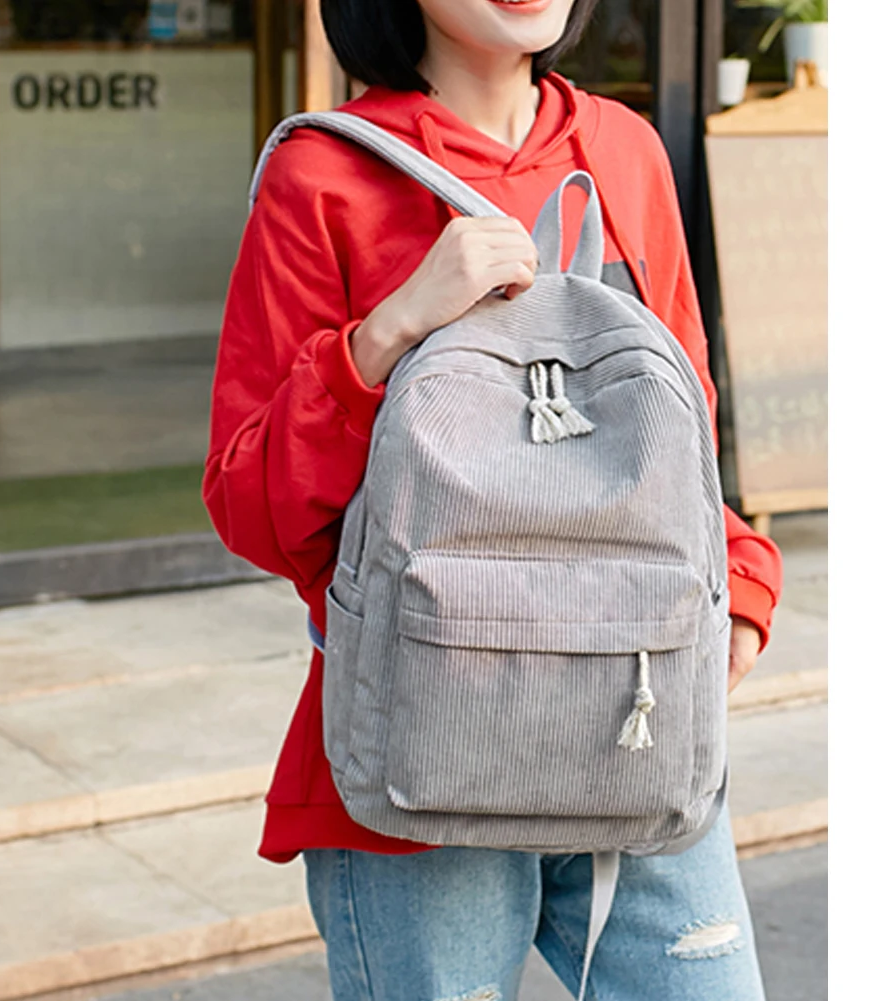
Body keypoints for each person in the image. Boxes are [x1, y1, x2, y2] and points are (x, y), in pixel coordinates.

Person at [203, 1, 784, 998]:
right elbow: (250, 506)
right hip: (422, 747)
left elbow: (678, 427)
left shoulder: (623, 150)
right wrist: (387, 332)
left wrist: (736, 579)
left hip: (633, 715)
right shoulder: (325, 172)